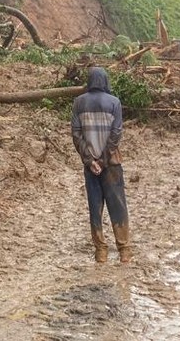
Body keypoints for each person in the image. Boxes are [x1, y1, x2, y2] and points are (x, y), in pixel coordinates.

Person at [71, 66, 131, 263]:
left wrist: (90, 161)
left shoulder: (79, 102)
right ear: (105, 81)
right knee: (118, 205)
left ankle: (101, 252)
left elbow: (76, 134)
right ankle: (124, 251)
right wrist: (103, 160)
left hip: (91, 167)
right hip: (111, 164)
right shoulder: (114, 102)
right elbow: (116, 135)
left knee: (95, 207)